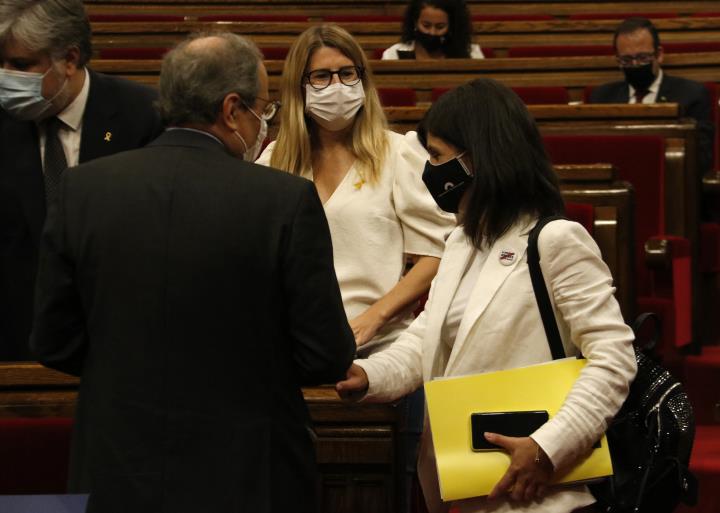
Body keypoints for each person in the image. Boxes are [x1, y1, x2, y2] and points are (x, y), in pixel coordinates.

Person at [30, 32, 355, 513]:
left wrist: (129, 368)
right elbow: (325, 355)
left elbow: (53, 340)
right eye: (260, 110)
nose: (263, 123)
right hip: (247, 472)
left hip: (120, 467)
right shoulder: (284, 200)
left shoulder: (82, 190)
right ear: (230, 110)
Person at [337, 78, 638, 513]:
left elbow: (613, 358)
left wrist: (546, 448)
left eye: (438, 157)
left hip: (544, 492)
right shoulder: (461, 243)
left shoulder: (555, 240)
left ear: (478, 158)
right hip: (469, 484)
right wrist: (366, 376)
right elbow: (426, 340)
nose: (430, 170)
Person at [257, 24, 455, 356]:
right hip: (291, 346)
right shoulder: (274, 160)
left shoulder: (396, 153)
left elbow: (437, 252)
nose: (337, 86)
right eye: (321, 76)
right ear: (299, 87)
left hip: (379, 344)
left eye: (347, 73)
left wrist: (374, 317)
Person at [0, 0, 162, 361]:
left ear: (70, 59)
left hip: (120, 341)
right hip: (15, 344)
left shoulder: (144, 116)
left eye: (21, 65)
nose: (5, 75)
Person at [589, 17, 714, 173]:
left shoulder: (691, 95)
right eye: (626, 60)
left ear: (659, 54)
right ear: (617, 60)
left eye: (643, 58)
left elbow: (701, 159)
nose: (635, 65)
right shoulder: (602, 98)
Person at [382, 0, 484, 60]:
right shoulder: (393, 54)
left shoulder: (471, 53)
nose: (432, 32)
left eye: (440, 27)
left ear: (451, 26)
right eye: (426, 25)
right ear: (415, 22)